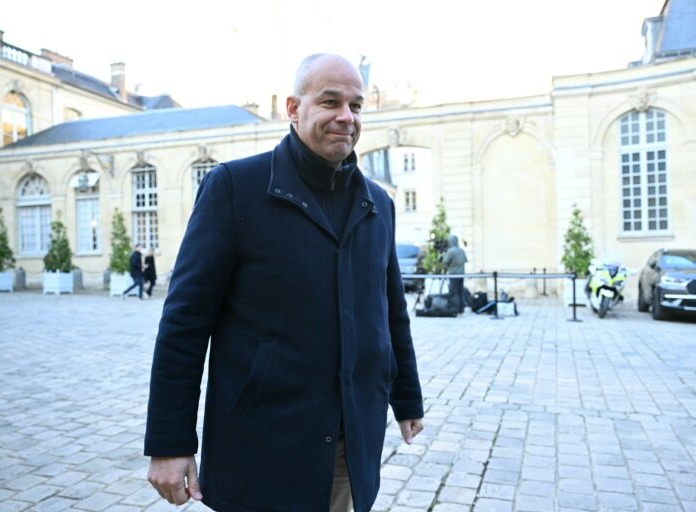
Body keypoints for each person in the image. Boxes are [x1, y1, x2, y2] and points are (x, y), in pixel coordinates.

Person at [144, 53, 424, 512]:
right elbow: (185, 324)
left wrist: (407, 397)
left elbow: (390, 309)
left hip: (350, 438)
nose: (346, 117)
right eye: (330, 102)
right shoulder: (234, 188)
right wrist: (170, 443)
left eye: (356, 106)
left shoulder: (379, 203)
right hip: (261, 441)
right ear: (293, 108)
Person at [442, 234, 467, 313]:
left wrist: (442, 257)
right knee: (460, 291)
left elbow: (445, 262)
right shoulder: (461, 250)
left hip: (453, 274)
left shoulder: (451, 251)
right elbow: (465, 260)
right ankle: (461, 308)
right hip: (461, 274)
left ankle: (454, 308)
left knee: (454, 292)